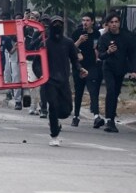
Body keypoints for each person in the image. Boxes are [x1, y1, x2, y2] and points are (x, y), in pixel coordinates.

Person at [43, 16, 88, 146]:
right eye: (54, 23)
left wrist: (80, 69)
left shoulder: (68, 42)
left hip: (63, 80)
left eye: (60, 23)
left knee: (66, 110)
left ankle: (56, 121)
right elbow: (37, 62)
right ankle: (54, 135)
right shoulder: (45, 43)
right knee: (53, 106)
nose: (57, 26)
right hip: (49, 80)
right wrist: (42, 75)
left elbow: (74, 59)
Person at [96, 12, 136, 133]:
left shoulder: (127, 36)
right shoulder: (104, 38)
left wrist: (133, 70)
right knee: (111, 91)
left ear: (119, 23)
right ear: (108, 24)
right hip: (108, 68)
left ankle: (112, 116)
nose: (114, 24)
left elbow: (132, 54)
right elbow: (101, 55)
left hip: (121, 68)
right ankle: (109, 120)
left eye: (116, 22)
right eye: (111, 22)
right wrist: (108, 52)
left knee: (116, 93)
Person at [70, 12, 103, 127]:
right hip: (78, 66)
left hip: (91, 65)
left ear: (92, 22)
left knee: (93, 90)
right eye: (83, 20)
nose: (85, 23)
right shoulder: (76, 33)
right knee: (79, 91)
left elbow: (97, 47)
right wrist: (79, 40)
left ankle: (96, 116)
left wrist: (98, 56)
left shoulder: (96, 33)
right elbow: (70, 48)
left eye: (87, 20)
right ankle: (76, 116)